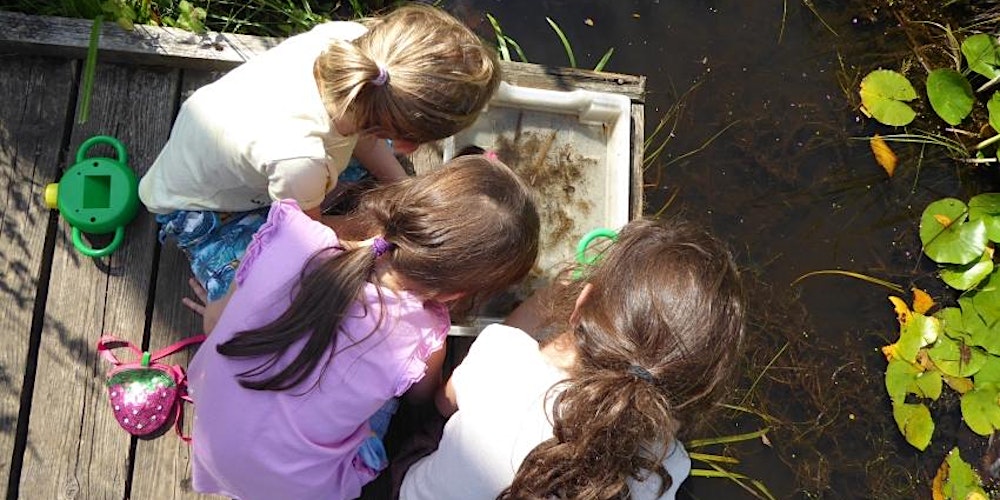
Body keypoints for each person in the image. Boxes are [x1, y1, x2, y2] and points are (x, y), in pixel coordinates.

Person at [183, 154, 540, 500]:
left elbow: (221, 317)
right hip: (293, 489)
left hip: (213, 439)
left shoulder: (291, 232)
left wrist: (218, 312)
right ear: (455, 294)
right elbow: (423, 402)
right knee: (387, 407)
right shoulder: (423, 336)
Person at [139, 3, 501, 302]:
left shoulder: (352, 48)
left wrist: (403, 186)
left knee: (350, 181)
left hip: (245, 144)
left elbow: (366, 135)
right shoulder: (302, 159)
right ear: (409, 142)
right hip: (202, 208)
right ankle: (219, 295)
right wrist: (381, 238)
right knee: (277, 291)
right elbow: (305, 231)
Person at [398, 218, 747, 500]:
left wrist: (553, 291)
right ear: (696, 388)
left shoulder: (505, 363)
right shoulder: (666, 469)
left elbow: (444, 404)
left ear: (580, 307)